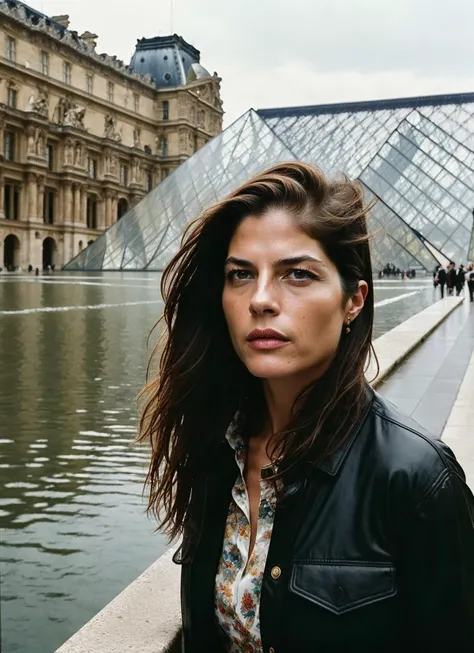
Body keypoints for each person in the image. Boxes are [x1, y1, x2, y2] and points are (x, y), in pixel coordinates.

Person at [137, 163, 474, 653]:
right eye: (240, 275)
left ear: (353, 301)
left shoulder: (420, 481)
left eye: (298, 274)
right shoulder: (212, 449)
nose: (261, 299)